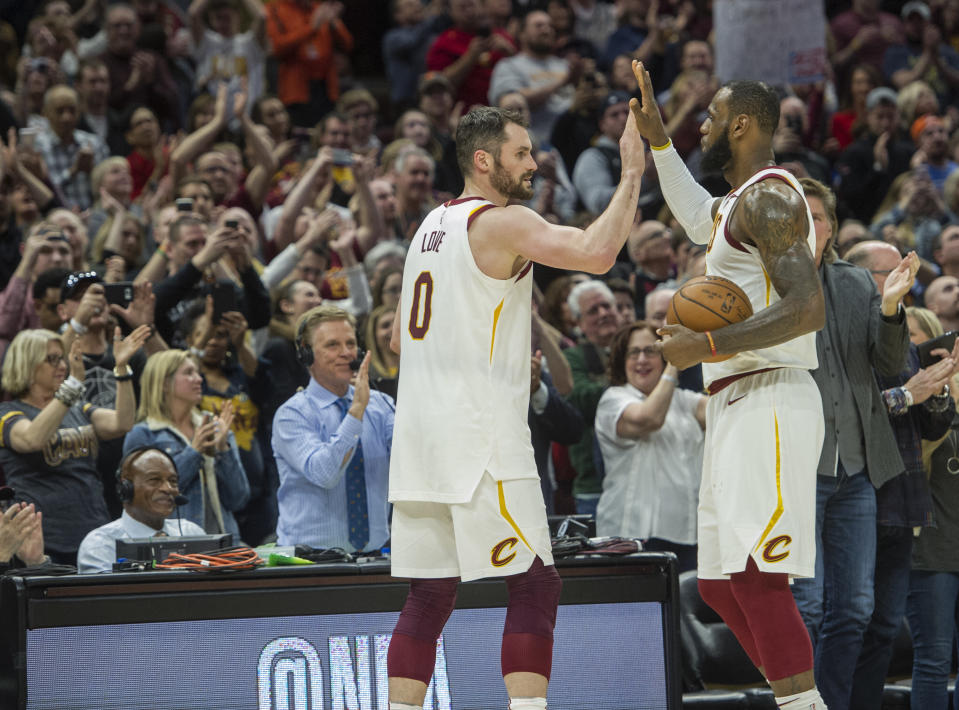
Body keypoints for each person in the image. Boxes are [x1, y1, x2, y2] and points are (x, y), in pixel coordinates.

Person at [386, 55, 646, 709]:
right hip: (480, 440)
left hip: (419, 442)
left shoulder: (427, 229)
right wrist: (634, 170)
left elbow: (396, 340)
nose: (533, 164)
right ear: (483, 161)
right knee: (534, 585)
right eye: (522, 153)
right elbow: (595, 254)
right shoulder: (499, 222)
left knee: (430, 591)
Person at [633, 66, 828, 708]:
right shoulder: (738, 204)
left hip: (770, 396)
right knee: (719, 584)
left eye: (711, 119)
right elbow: (695, 215)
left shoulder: (771, 198)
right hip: (734, 401)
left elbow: (807, 307)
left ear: (741, 124)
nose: (706, 129)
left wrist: (706, 345)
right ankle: (794, 695)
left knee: (757, 577)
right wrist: (660, 142)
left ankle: (804, 704)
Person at [842, 239, 957, 710]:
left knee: (883, 629)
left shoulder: (904, 346)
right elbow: (855, 419)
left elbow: (927, 423)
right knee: (850, 621)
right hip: (856, 501)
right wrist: (910, 395)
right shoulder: (846, 340)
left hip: (903, 508)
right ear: (856, 282)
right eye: (891, 274)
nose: (903, 284)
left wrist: (937, 394)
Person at [0, 327, 147, 565]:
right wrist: (73, 386)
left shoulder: (77, 408)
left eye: (62, 358)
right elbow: (31, 439)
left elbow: (123, 422)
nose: (62, 365)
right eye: (52, 359)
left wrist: (121, 369)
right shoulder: (7, 414)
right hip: (43, 539)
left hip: (93, 529)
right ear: (27, 364)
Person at [272, 305, 394, 551]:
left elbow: (412, 461)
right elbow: (324, 473)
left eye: (350, 343)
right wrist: (356, 411)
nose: (346, 353)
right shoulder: (292, 414)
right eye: (332, 345)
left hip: (376, 557)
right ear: (306, 354)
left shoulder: (381, 405)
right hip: (308, 562)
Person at [595, 321, 706, 572]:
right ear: (622, 361)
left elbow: (724, 413)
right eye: (634, 353)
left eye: (650, 351)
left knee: (683, 609)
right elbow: (650, 418)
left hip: (688, 535)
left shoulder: (685, 401)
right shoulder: (613, 399)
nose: (642, 359)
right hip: (630, 539)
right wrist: (676, 363)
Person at [123, 350, 250, 539]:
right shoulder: (143, 434)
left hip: (225, 548)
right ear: (164, 383)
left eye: (198, 373)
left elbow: (239, 499)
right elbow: (140, 500)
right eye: (189, 373)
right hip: (173, 548)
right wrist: (194, 452)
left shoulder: (216, 429)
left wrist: (223, 448)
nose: (199, 379)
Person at [76, 447, 206, 573]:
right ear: (126, 489)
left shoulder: (193, 533)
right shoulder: (101, 545)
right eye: (154, 480)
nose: (168, 489)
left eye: (173, 481)